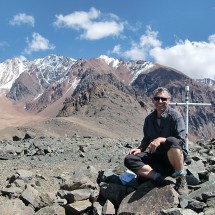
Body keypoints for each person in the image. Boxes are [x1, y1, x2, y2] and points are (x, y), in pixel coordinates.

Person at [124, 87, 189, 195]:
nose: (160, 101)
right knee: (129, 159)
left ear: (169, 101)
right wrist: (139, 148)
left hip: (172, 159)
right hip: (155, 157)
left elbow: (181, 141)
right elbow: (146, 139)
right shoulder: (149, 119)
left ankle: (181, 178)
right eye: (157, 98)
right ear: (153, 100)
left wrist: (161, 139)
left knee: (173, 141)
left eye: (163, 99)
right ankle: (158, 178)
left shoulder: (176, 117)